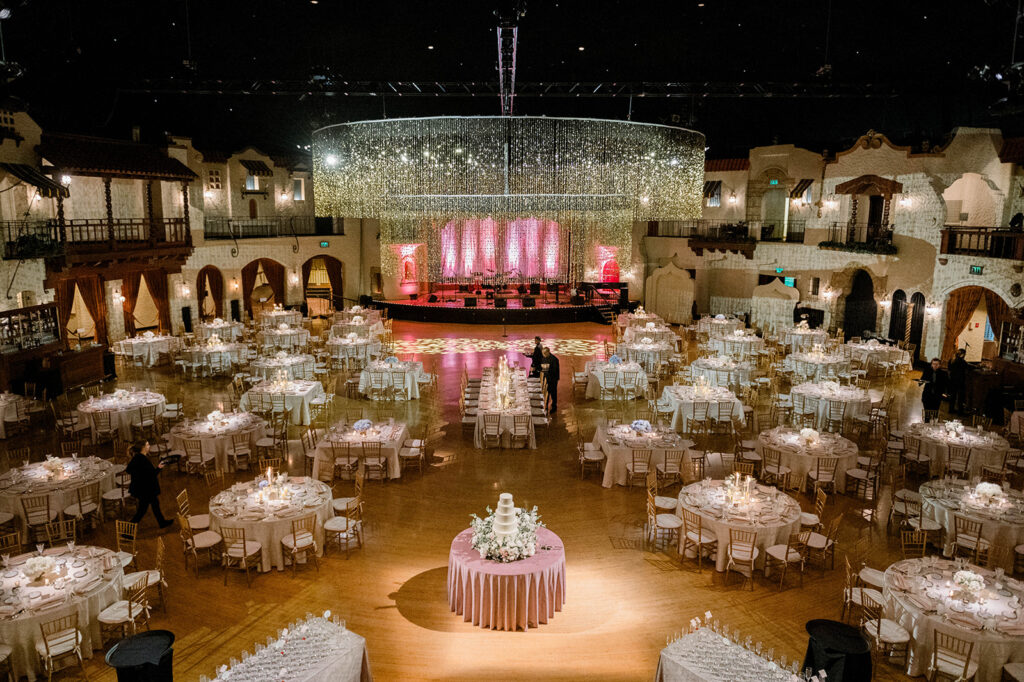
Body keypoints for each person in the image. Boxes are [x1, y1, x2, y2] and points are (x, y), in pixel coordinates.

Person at [126, 440, 173, 529]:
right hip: (146, 489)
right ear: (143, 448)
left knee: (155, 504)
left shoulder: (137, 458)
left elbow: (130, 470)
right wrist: (159, 467)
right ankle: (128, 530)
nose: (149, 446)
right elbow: (152, 474)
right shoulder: (143, 459)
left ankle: (162, 522)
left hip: (142, 488)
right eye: (147, 445)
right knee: (142, 510)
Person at [539, 346, 560, 414]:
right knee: (546, 392)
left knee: (553, 393)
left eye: (544, 353)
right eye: (542, 353)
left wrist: (547, 371)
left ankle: (554, 406)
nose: (543, 355)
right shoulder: (544, 358)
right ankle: (546, 407)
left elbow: (554, 371)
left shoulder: (554, 359)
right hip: (546, 378)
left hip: (553, 379)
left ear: (548, 352)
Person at [947, 347, 968, 413]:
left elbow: (949, 368)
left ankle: (951, 409)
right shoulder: (962, 361)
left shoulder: (952, 360)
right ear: (962, 354)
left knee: (952, 396)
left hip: (952, 380)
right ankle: (960, 411)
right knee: (960, 397)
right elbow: (968, 367)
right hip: (960, 381)